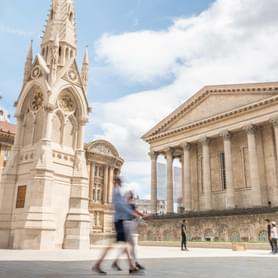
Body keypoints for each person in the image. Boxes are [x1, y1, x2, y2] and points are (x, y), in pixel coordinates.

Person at [92, 176, 141, 275]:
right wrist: (132, 213)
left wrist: (132, 211)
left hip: (120, 221)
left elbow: (123, 205)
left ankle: (131, 266)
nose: (121, 183)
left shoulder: (118, 192)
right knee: (121, 245)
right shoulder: (115, 192)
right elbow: (120, 206)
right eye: (119, 182)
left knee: (123, 244)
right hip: (118, 221)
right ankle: (98, 264)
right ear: (116, 182)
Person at [112, 191, 145, 270]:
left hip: (126, 224)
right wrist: (143, 216)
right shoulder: (129, 204)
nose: (132, 197)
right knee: (131, 246)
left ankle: (118, 262)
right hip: (128, 225)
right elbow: (135, 212)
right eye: (131, 196)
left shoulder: (124, 204)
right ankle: (134, 264)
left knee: (128, 246)